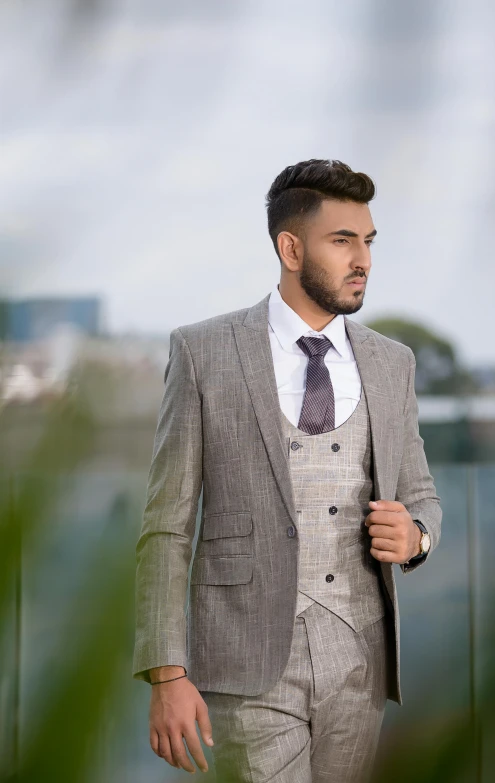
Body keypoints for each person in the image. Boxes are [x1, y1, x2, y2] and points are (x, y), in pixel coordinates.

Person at [132, 158, 442, 782]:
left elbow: (421, 495)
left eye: (369, 241)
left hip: (361, 660)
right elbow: (166, 525)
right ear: (291, 247)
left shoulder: (392, 363)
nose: (364, 260)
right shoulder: (203, 351)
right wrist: (167, 674)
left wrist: (417, 536)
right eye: (343, 241)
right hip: (244, 666)